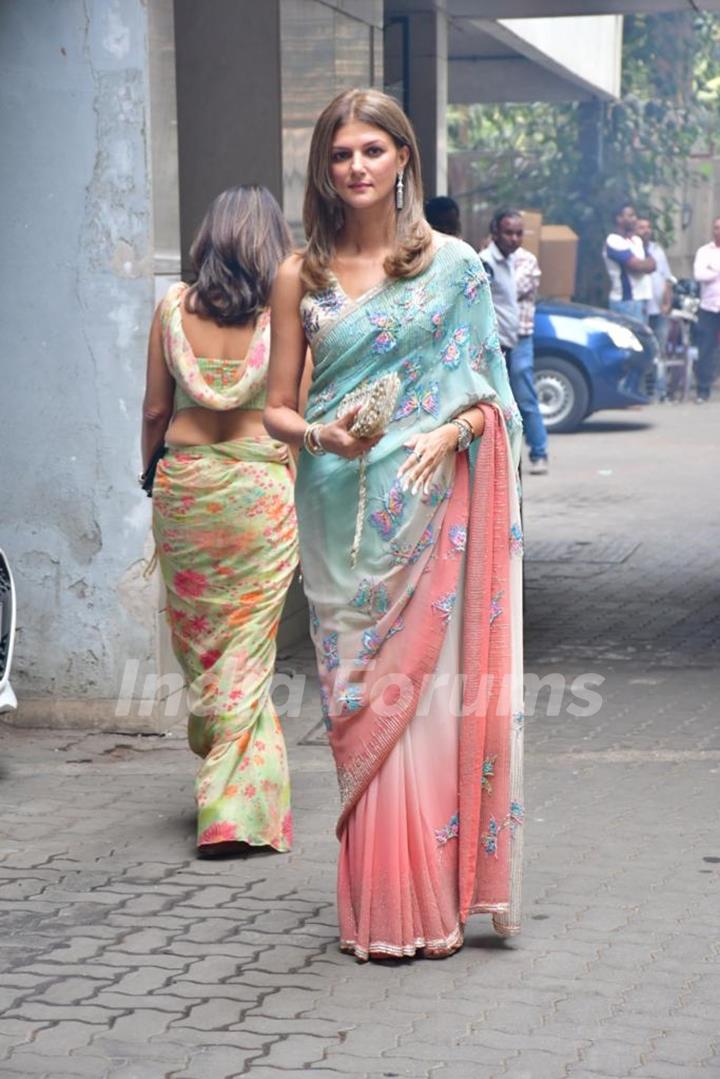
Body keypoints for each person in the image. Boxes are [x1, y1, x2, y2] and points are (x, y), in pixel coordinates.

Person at [265, 89, 524, 961]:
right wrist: (318, 432)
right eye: (341, 155)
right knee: (356, 697)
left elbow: (493, 398)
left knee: (419, 704)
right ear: (324, 169)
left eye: (372, 150)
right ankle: (374, 901)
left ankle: (419, 902)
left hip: (424, 507)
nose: (356, 167)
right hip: (336, 504)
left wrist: (451, 429)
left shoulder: (451, 269)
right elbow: (274, 411)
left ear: (403, 158)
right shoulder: (300, 272)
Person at [141, 186, 299, 856]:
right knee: (249, 645)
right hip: (258, 492)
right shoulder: (283, 316)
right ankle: (233, 809)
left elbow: (154, 410)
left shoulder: (172, 308)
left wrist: (147, 471)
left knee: (201, 639)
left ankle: (226, 776)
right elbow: (295, 409)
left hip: (187, 487)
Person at [481, 210, 549, 474]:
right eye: (508, 232)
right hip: (496, 342)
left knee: (524, 394)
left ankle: (539, 451)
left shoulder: (524, 261)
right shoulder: (489, 261)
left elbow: (512, 290)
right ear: (495, 232)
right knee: (497, 400)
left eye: (519, 233)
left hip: (520, 337)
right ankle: (503, 458)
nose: (514, 238)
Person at [636, 215, 673, 398]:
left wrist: (667, 302)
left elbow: (667, 278)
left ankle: (661, 390)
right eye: (641, 227)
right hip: (640, 310)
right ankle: (643, 390)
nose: (646, 230)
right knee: (641, 350)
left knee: (660, 350)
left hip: (659, 310)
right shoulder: (631, 250)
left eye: (648, 227)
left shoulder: (657, 250)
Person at [692, 215, 720, 402]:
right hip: (708, 308)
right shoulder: (704, 251)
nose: (719, 231)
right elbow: (699, 275)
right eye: (717, 228)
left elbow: (708, 273)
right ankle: (703, 389)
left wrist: (713, 268)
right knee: (706, 349)